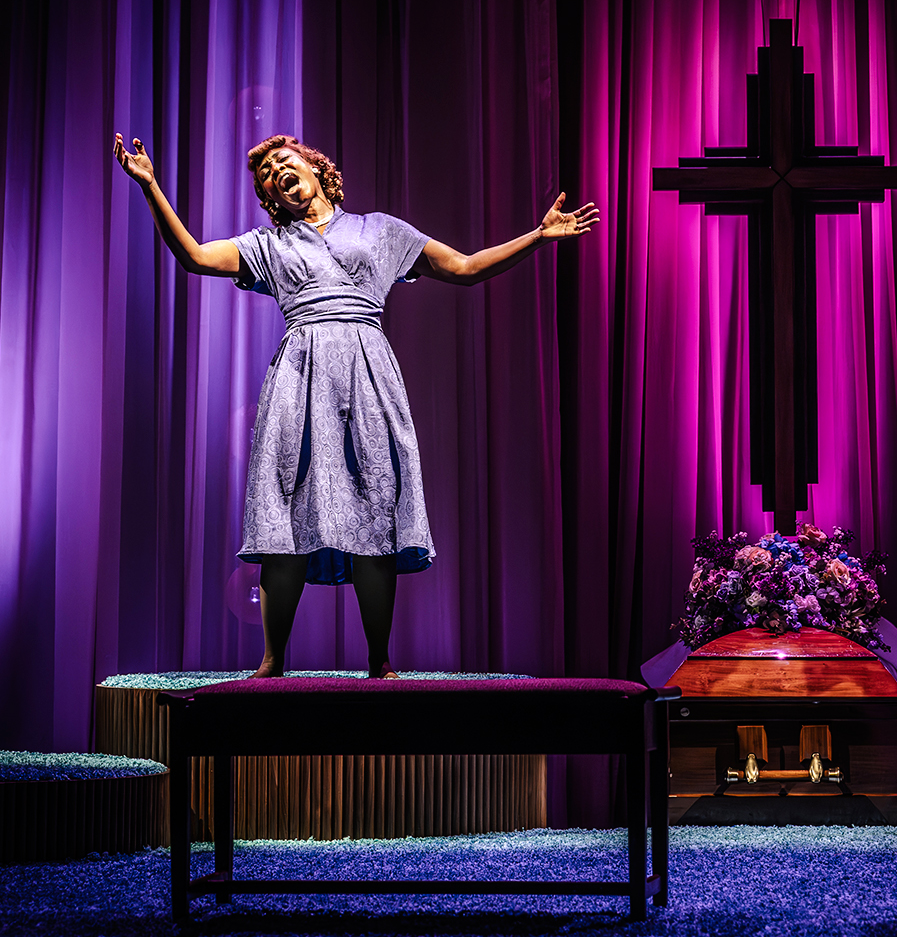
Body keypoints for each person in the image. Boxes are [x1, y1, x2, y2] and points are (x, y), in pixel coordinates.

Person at [114, 132, 598, 678]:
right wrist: (152, 187)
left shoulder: (380, 230)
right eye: (267, 173)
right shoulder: (269, 246)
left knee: (374, 501)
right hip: (300, 375)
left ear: (317, 169)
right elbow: (196, 258)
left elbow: (464, 267)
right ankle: (272, 662)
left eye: (285, 160)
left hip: (368, 372)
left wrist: (539, 235)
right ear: (270, 196)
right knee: (286, 505)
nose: (277, 171)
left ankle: (380, 659)